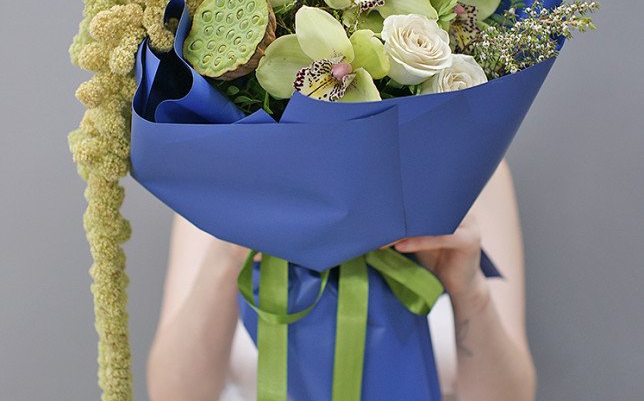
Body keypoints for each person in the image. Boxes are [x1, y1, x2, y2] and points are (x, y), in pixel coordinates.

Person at [147, 159, 537, 401]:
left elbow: (512, 397)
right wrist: (229, 250)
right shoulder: (222, 172)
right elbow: (174, 394)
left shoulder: (472, 172)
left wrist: (468, 290)